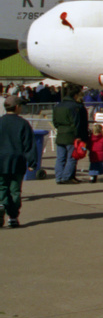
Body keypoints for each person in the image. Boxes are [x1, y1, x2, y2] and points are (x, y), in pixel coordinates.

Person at [0, 95, 37, 228]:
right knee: (15, 190)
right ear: (16, 107)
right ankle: (13, 216)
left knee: (2, 187)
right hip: (17, 160)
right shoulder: (23, 123)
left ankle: (1, 204)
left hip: (0, 160)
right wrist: (32, 162)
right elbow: (29, 145)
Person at [52, 83, 89, 184]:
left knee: (60, 158)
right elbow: (76, 123)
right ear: (76, 95)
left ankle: (59, 177)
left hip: (60, 134)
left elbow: (55, 122)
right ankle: (66, 177)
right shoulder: (75, 106)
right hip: (71, 135)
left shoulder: (58, 106)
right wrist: (78, 136)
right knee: (72, 157)